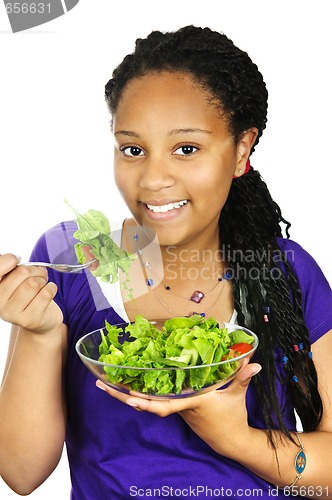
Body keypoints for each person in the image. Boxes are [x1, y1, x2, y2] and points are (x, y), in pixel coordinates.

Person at [0, 25, 331, 500]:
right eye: (132, 149)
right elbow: (21, 473)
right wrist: (40, 333)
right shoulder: (67, 260)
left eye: (186, 149)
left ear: (241, 150)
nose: (153, 179)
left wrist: (236, 439)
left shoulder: (287, 272)